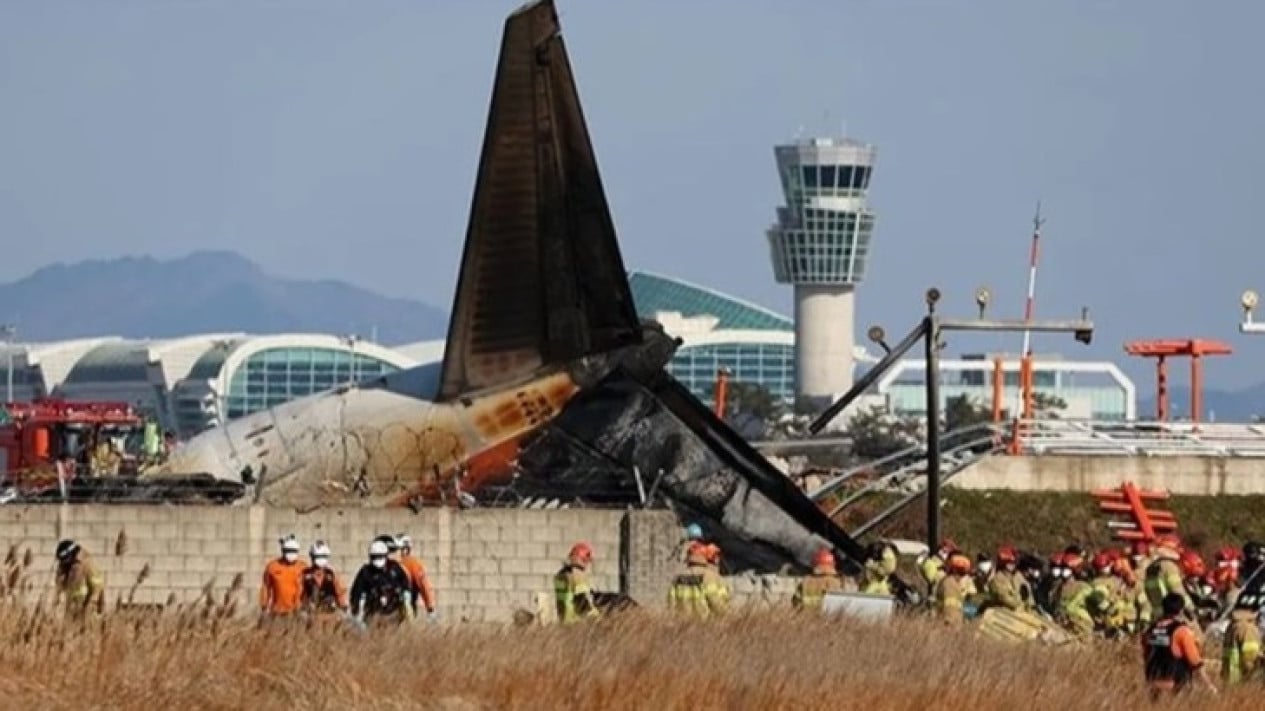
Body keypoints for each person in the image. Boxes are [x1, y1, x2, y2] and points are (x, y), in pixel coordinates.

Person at [1142, 592, 1217, 698]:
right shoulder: (1182, 631)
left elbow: (1147, 657)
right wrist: (1210, 687)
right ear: (1181, 611)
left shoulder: (1149, 631)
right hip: (1175, 689)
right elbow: (1195, 663)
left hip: (1152, 686)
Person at [351, 539, 414, 626]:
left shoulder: (394, 568)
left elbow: (405, 583)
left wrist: (405, 594)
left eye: (380, 556)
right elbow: (356, 592)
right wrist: (356, 609)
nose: (377, 559)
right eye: (374, 556)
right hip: (373, 613)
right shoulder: (365, 571)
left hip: (394, 612)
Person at [669, 541, 729, 619]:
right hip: (705, 626)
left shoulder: (678, 578)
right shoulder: (709, 577)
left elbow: (671, 605)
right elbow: (716, 603)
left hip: (683, 626)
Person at [54, 539, 104, 620]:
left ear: (72, 554)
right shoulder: (64, 565)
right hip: (71, 608)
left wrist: (87, 606)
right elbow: (60, 585)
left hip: (87, 609)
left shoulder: (87, 563)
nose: (63, 562)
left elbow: (97, 587)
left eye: (65, 560)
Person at [1222, 589, 1262, 686]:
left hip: (1230, 681)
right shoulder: (1248, 628)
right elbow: (1250, 661)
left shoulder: (1233, 625)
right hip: (1245, 683)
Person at [259, 534, 305, 618]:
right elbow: (266, 588)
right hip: (278, 612)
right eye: (288, 550)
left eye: (293, 550)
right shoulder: (272, 567)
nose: (291, 553)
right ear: (283, 550)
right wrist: (264, 606)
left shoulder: (303, 567)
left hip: (298, 612)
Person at [300, 540, 348, 619]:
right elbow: (300, 594)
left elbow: (340, 592)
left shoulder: (332, 574)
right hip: (311, 615)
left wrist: (343, 608)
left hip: (330, 614)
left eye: (322, 556)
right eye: (317, 556)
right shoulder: (305, 575)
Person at [555, 542, 600, 624]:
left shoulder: (561, 575)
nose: (587, 564)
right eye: (586, 561)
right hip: (577, 622)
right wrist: (596, 617)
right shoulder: (577, 575)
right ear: (582, 559)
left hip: (564, 620)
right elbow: (582, 600)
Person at [396, 534, 437, 622]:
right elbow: (424, 586)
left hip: (405, 605)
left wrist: (430, 607)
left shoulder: (413, 564)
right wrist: (430, 608)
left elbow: (424, 586)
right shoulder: (389, 565)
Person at [987, 546, 1032, 612]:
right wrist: (1021, 600)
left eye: (1014, 562)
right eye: (1009, 562)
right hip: (1004, 614)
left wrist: (1028, 605)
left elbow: (1029, 597)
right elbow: (1006, 600)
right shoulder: (997, 579)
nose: (1012, 565)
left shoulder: (1019, 577)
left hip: (1023, 614)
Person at [934, 553, 974, 626]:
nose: (963, 575)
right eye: (962, 572)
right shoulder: (950, 584)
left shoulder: (953, 583)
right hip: (949, 626)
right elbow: (950, 610)